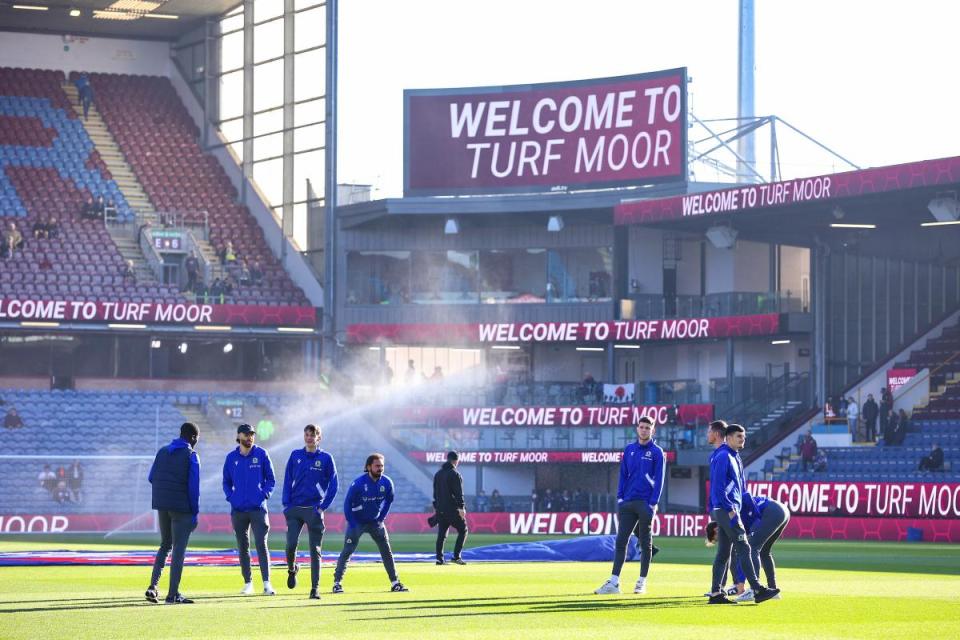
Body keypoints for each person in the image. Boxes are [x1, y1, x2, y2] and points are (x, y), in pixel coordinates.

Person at [706, 424, 779, 605]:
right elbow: (718, 487)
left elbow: (741, 488)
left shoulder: (734, 456)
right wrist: (731, 509)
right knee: (744, 548)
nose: (742, 439)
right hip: (726, 511)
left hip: (727, 510)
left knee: (724, 552)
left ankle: (716, 593)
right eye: (739, 436)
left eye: (743, 436)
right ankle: (757, 589)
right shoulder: (724, 456)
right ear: (728, 437)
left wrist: (751, 511)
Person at [595, 416, 665, 596]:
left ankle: (641, 582)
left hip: (645, 504)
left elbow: (659, 480)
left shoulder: (657, 452)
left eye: (647, 428)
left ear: (652, 430)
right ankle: (614, 582)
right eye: (641, 427)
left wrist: (653, 503)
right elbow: (623, 475)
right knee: (621, 542)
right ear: (637, 429)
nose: (643, 430)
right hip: (627, 502)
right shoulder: (629, 449)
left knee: (646, 544)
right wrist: (620, 498)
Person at [332, 454, 409, 593]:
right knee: (347, 551)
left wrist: (381, 518)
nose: (380, 469)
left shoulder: (387, 483)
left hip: (375, 522)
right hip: (357, 522)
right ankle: (337, 583)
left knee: (386, 551)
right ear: (368, 467)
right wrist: (353, 523)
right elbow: (347, 504)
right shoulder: (358, 484)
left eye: (382, 466)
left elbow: (389, 501)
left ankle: (395, 583)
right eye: (377, 466)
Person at [146, 422, 201, 605]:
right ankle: (173, 594)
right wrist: (194, 513)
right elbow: (194, 488)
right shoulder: (191, 455)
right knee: (178, 550)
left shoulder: (162, 451)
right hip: (182, 509)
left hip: (162, 505)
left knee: (165, 545)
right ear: (193, 438)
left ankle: (153, 587)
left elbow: (151, 477)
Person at [281, 424, 338, 600]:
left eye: (313, 435)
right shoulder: (295, 455)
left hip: (314, 510)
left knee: (315, 550)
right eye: (306, 434)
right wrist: (286, 504)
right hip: (295, 509)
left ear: (319, 438)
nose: (309, 438)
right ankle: (292, 569)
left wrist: (322, 507)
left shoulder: (327, 459)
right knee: (290, 546)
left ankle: (315, 588)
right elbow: (287, 479)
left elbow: (334, 485)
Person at [222, 424, 277, 596]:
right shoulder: (231, 458)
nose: (250, 437)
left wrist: (264, 495)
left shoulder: (261, 454)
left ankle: (267, 584)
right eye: (246, 435)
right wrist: (231, 497)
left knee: (261, 544)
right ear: (238, 436)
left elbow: (271, 479)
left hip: (258, 509)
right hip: (238, 510)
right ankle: (248, 583)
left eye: (252, 434)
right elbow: (226, 482)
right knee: (243, 547)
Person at [707, 495, 790, 598]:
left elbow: (746, 496)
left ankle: (754, 590)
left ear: (716, 530)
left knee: (752, 548)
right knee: (764, 552)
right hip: (782, 510)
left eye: (716, 538)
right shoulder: (730, 514)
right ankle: (772, 590)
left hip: (771, 512)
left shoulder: (729, 514)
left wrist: (740, 583)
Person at [433, 451, 468, 565]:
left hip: (441, 509)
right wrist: (461, 507)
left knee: (442, 534)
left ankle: (439, 559)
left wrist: (437, 508)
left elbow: (435, 494)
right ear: (456, 461)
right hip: (452, 510)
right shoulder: (455, 474)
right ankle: (456, 556)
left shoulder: (438, 474)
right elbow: (459, 493)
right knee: (463, 530)